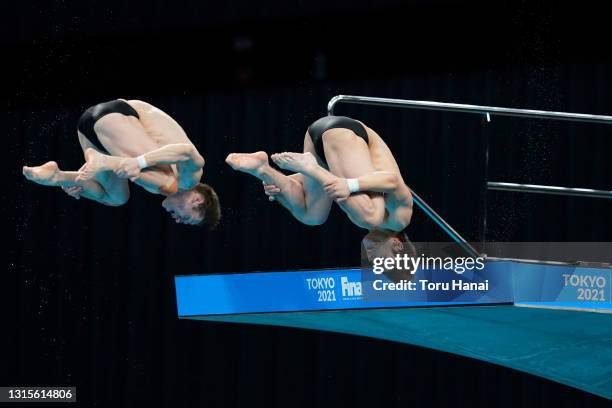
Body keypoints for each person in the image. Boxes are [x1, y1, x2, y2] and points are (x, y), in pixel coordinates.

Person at [226, 115, 413, 259]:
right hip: (345, 133)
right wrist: (349, 185)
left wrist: (282, 183)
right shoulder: (399, 220)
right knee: (371, 216)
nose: (371, 259)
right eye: (381, 261)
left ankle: (263, 168)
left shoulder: (370, 217)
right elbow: (393, 181)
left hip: (320, 143)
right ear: (397, 246)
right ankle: (311, 167)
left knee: (312, 216)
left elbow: (338, 175)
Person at [22, 99, 220, 227]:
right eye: (186, 218)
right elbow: (187, 152)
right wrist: (139, 162)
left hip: (90, 133)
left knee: (117, 198)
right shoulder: (190, 178)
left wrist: (81, 186)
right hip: (116, 115)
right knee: (172, 183)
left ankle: (57, 176)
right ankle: (105, 161)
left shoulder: (159, 185)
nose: (177, 220)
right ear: (197, 200)